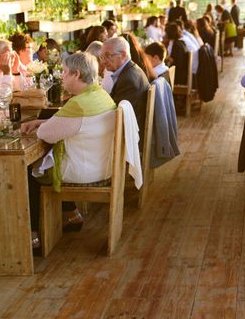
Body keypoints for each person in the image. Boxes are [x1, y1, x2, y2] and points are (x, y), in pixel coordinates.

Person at [21, 52, 117, 249]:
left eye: (64, 72)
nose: (61, 76)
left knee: (28, 170)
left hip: (83, 171)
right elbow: (73, 124)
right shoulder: (100, 95)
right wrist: (42, 121)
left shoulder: (78, 104)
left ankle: (32, 236)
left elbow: (46, 135)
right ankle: (70, 214)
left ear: (77, 74)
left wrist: (42, 125)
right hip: (102, 165)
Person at [100, 36, 150, 134]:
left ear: (123, 54)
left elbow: (115, 114)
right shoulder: (131, 70)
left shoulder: (128, 80)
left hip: (132, 135)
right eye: (102, 57)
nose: (103, 61)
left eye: (108, 56)